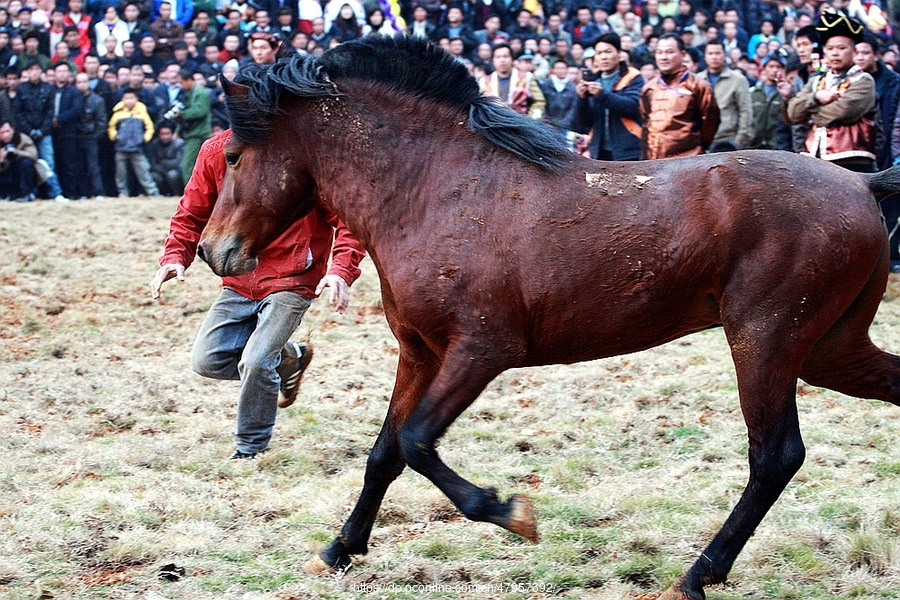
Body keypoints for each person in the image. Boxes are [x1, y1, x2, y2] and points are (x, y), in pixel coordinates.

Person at [148, 128, 366, 459]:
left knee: (256, 361)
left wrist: (340, 271)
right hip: (238, 277)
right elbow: (191, 212)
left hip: (292, 278)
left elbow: (350, 218)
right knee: (207, 361)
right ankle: (290, 357)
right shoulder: (215, 151)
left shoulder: (305, 153)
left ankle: (250, 448)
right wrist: (175, 257)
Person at [784, 13, 876, 172]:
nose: (835, 53)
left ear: (854, 52)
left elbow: (844, 111)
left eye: (841, 48)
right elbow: (793, 113)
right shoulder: (816, 81)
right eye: (830, 48)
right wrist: (816, 97)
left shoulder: (863, 80)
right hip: (814, 158)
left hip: (852, 160)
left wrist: (811, 114)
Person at [639, 33, 720, 159]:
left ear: (682, 54)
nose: (663, 57)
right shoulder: (648, 88)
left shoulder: (699, 86)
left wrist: (696, 145)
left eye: (669, 52)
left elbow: (710, 122)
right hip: (653, 160)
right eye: (659, 52)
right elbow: (645, 121)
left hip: (688, 159)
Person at [574, 31, 643, 160]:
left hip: (628, 151)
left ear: (619, 53)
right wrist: (581, 99)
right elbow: (584, 121)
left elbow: (632, 106)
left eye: (608, 52)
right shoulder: (594, 81)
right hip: (599, 152)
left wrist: (602, 95)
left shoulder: (633, 77)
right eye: (599, 53)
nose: (603, 57)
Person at [697, 39, 752, 149]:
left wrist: (740, 140)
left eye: (717, 53)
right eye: (710, 53)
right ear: (705, 56)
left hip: (728, 140)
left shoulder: (738, 80)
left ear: (725, 55)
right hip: (701, 140)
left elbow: (745, 110)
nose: (714, 57)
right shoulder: (697, 80)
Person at [108, 88, 158, 196]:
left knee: (143, 170)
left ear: (136, 99)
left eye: (131, 98)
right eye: (126, 98)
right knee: (121, 173)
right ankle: (122, 193)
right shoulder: (118, 113)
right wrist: (115, 136)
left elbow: (149, 127)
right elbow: (111, 127)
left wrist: (144, 138)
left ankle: (152, 192)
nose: (129, 100)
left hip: (137, 147)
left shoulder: (142, 112)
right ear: (122, 99)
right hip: (121, 147)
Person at [479, 42, 545, 119]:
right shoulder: (484, 81)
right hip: (494, 124)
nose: (502, 60)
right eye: (498, 57)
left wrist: (531, 118)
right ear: (493, 61)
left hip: (521, 123)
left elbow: (539, 101)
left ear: (512, 59)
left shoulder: (526, 77)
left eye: (505, 56)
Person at [170, 67, 211, 184]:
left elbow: (200, 111)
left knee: (187, 165)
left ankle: (190, 192)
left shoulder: (200, 93)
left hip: (198, 134)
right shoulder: (189, 92)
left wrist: (181, 114)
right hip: (192, 133)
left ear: (188, 80)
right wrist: (178, 130)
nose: (180, 86)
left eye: (181, 83)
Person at [49, 60, 82, 200]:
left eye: (64, 71)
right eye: (59, 71)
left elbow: (76, 109)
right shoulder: (50, 90)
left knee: (69, 164)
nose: (62, 74)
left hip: (68, 133)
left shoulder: (73, 91)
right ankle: (56, 193)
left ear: (69, 74)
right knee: (53, 163)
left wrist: (59, 119)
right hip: (50, 132)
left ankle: (71, 193)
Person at [748, 51, 790, 150]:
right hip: (754, 145)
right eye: (771, 66)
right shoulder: (753, 92)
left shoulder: (785, 92)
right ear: (764, 68)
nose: (774, 70)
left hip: (777, 145)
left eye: (778, 67)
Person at [75, 71, 106, 199]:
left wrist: (95, 136)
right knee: (79, 166)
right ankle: (83, 193)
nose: (82, 85)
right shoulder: (73, 98)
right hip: (76, 136)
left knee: (94, 166)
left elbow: (102, 122)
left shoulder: (97, 100)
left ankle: (98, 192)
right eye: (79, 82)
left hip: (91, 137)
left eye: (84, 82)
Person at [0, 119, 37, 201]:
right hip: (7, 174)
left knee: (26, 163)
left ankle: (26, 194)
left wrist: (16, 152)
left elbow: (34, 156)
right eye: (2, 133)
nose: (5, 135)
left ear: (12, 130)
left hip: (23, 172)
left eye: (7, 131)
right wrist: (2, 160)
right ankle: (6, 195)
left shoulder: (22, 138)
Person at [540, 58, 579, 134]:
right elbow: (542, 104)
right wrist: (547, 121)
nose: (560, 71)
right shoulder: (546, 85)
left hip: (566, 126)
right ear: (553, 70)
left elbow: (573, 108)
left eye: (562, 68)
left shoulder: (572, 87)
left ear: (566, 70)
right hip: (548, 124)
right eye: (558, 68)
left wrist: (563, 124)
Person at [147, 120, 183, 195]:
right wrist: (162, 168)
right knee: (154, 176)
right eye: (162, 134)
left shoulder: (179, 144)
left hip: (174, 171)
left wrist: (164, 163)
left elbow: (179, 161)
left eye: (167, 133)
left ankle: (177, 194)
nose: (165, 136)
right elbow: (152, 163)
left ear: (172, 134)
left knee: (172, 175)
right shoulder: (154, 145)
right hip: (160, 171)